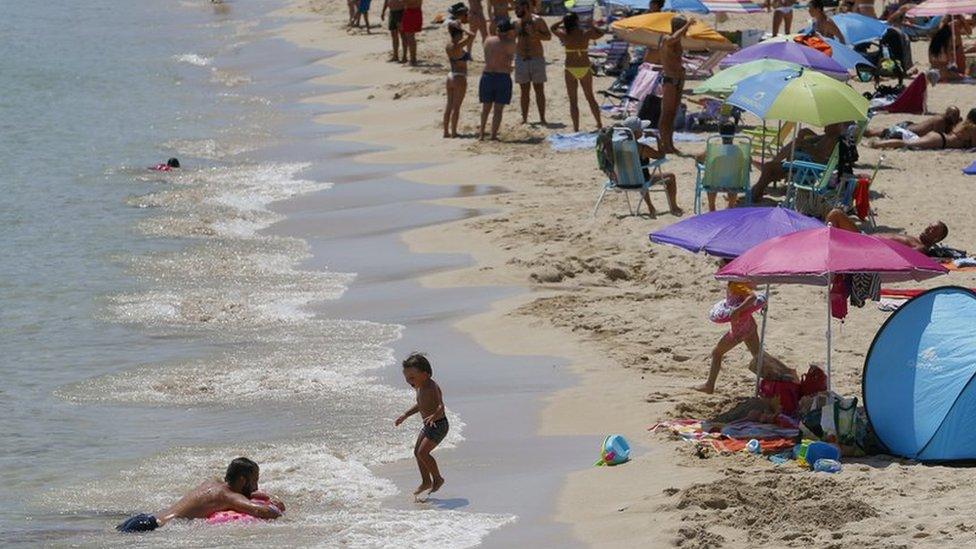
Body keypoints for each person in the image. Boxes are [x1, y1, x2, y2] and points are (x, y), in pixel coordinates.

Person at [115, 458, 284, 533]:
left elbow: (246, 492)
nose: (256, 486)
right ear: (242, 479)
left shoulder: (213, 483)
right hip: (151, 528)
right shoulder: (230, 497)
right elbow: (265, 512)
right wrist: (277, 508)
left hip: (146, 518)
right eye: (254, 481)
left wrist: (259, 494)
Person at [394, 353, 448, 499]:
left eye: (412, 378)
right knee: (417, 452)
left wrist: (434, 416)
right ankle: (426, 481)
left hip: (439, 425)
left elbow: (441, 406)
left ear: (425, 374)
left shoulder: (431, 387)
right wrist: (405, 415)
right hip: (429, 425)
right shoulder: (419, 386)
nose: (409, 381)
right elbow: (420, 404)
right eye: (407, 378)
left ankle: (438, 479)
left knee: (423, 453)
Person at [696, 275, 762, 394]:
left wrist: (737, 310)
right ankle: (779, 377)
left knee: (717, 353)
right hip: (749, 325)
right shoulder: (738, 282)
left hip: (739, 330)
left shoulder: (736, 284)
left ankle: (709, 385)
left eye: (721, 264)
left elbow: (752, 297)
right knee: (758, 356)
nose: (719, 267)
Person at [751, 123, 843, 202]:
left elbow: (821, 159)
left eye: (828, 124)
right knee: (771, 169)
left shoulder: (834, 141)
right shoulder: (828, 136)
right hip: (805, 166)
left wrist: (805, 146)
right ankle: (758, 191)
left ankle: (756, 192)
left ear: (836, 126)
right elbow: (816, 145)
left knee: (769, 168)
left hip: (808, 168)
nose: (825, 126)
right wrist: (804, 141)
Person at [550, 13, 604, 133]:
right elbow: (601, 33)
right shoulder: (585, 33)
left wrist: (560, 21)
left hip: (570, 68)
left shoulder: (565, 35)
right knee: (590, 97)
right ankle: (599, 123)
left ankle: (576, 128)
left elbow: (552, 28)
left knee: (573, 101)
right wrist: (592, 25)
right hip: (584, 67)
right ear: (576, 22)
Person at [620, 116, 682, 216]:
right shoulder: (642, 148)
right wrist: (657, 138)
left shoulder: (619, 145)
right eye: (641, 129)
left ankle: (650, 206)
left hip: (622, 181)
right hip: (639, 181)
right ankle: (674, 207)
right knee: (671, 177)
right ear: (636, 133)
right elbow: (661, 156)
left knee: (638, 173)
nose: (643, 130)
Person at [825, 208, 949, 253]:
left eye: (933, 229)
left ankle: (824, 246)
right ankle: (827, 244)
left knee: (835, 214)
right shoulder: (914, 239)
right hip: (864, 238)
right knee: (835, 216)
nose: (928, 228)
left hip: (865, 245)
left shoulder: (920, 247)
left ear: (936, 239)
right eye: (930, 225)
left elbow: (904, 256)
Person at [657, 15, 694, 154]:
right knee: (666, 114)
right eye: (684, 28)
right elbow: (673, 38)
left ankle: (670, 144)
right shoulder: (667, 39)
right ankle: (664, 144)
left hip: (678, 79)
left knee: (672, 114)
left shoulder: (678, 42)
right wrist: (687, 24)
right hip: (670, 80)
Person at [513, 0, 551, 125]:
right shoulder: (516, 23)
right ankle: (524, 118)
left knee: (539, 90)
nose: (515, 10)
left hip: (536, 58)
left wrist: (534, 33)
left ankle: (542, 118)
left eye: (517, 8)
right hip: (521, 59)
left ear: (525, 6)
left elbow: (548, 37)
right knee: (524, 91)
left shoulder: (538, 20)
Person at [479, 20, 517, 140]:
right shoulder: (510, 43)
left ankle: (481, 134)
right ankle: (493, 135)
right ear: (509, 31)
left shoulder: (488, 40)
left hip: (487, 75)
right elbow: (511, 58)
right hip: (502, 76)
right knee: (498, 110)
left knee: (485, 108)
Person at [870, 107, 976, 150]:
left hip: (940, 138)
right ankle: (877, 144)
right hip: (939, 140)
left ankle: (875, 140)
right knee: (907, 143)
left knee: (908, 142)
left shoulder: (962, 124)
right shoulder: (972, 129)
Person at [444, 20, 477, 137]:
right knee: (456, 107)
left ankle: (446, 132)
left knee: (449, 105)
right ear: (458, 34)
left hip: (450, 75)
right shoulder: (458, 45)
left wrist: (456, 28)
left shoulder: (448, 45)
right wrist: (462, 28)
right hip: (459, 77)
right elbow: (472, 35)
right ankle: (453, 132)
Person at [864, 106, 962, 141]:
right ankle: (862, 132)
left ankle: (864, 131)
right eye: (953, 115)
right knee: (882, 132)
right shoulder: (940, 120)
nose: (953, 117)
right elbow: (939, 138)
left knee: (883, 131)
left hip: (910, 127)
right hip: (907, 131)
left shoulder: (943, 120)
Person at [401, 0, 423, 66]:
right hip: (417, 11)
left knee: (410, 37)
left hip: (410, 12)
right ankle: (413, 59)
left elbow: (405, 2)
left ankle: (413, 60)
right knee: (411, 37)